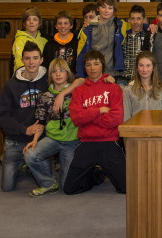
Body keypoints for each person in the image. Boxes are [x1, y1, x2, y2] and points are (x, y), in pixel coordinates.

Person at [0, 42, 80, 192]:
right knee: (7, 187)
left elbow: (79, 80)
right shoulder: (10, 85)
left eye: (35, 58)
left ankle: (33, 166)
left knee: (67, 186)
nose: (31, 62)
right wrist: (25, 130)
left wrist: (62, 94)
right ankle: (29, 168)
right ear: (22, 60)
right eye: (28, 58)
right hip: (16, 140)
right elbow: (3, 117)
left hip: (50, 137)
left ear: (41, 60)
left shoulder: (48, 80)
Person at [64, 50, 126, 194]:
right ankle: (97, 176)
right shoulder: (79, 91)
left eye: (96, 64)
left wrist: (89, 117)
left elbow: (116, 118)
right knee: (70, 188)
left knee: (125, 188)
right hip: (87, 142)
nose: (92, 68)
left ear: (102, 66)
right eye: (88, 64)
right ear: (84, 67)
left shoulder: (113, 88)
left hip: (109, 141)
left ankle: (103, 170)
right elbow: (76, 118)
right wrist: (98, 111)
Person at [23, 58, 79, 196]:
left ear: (68, 73)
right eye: (54, 72)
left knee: (67, 187)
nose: (58, 74)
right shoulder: (44, 96)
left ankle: (94, 173)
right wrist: (35, 140)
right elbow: (41, 121)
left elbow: (82, 80)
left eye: (62, 71)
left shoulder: (76, 90)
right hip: (53, 139)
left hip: (72, 142)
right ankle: (48, 183)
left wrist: (62, 94)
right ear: (50, 75)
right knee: (30, 153)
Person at [76, 0, 128, 78]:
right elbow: (81, 55)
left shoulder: (121, 25)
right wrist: (81, 77)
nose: (106, 11)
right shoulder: (88, 29)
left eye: (110, 8)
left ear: (114, 11)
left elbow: (137, 26)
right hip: (93, 75)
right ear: (98, 8)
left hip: (113, 74)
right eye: (103, 7)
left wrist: (151, 26)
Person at [123, 51, 162, 121]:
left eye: (148, 66)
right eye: (141, 65)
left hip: (157, 130)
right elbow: (126, 117)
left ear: (153, 68)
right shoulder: (128, 90)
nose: (144, 69)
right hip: (136, 130)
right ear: (137, 67)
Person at [120, 5, 152, 84]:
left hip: (142, 79)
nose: (135, 22)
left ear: (144, 20)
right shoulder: (123, 36)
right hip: (124, 78)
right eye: (132, 18)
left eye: (138, 18)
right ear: (129, 20)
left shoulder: (148, 36)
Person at [42, 11, 79, 75]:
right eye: (60, 23)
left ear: (71, 25)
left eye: (66, 23)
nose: (62, 26)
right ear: (56, 26)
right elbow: (45, 66)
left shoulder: (77, 43)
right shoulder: (49, 44)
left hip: (73, 79)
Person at [12, 7, 48, 73]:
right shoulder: (19, 40)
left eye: (35, 19)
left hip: (40, 75)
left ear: (39, 23)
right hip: (23, 74)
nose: (31, 22)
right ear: (24, 23)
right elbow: (19, 62)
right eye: (28, 19)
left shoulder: (44, 41)